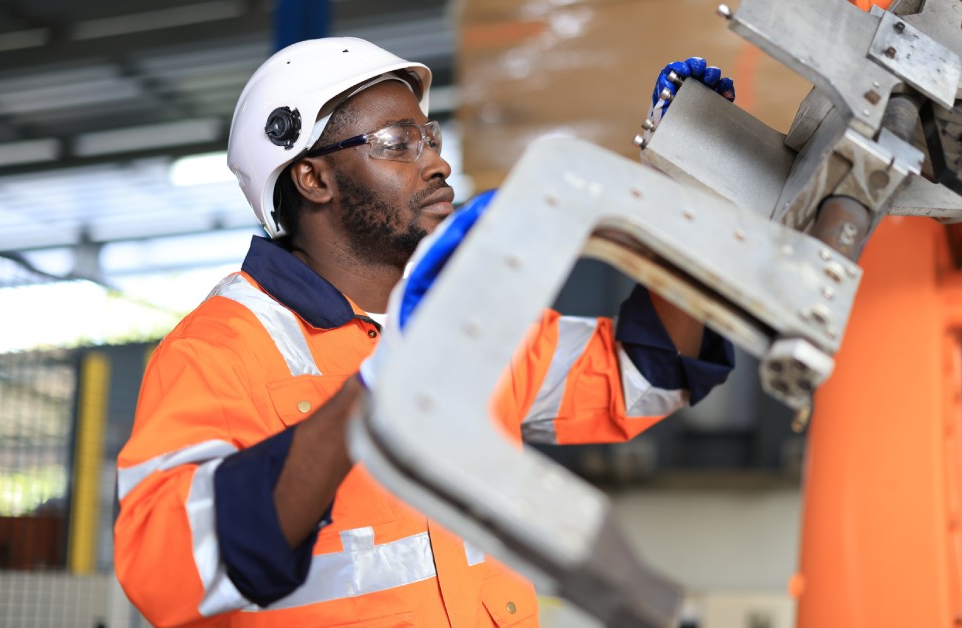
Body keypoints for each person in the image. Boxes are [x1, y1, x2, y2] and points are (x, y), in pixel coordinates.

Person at [114, 37, 735, 627]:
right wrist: (384, 382)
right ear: (314, 179)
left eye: (430, 137)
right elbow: (168, 570)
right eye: (395, 142)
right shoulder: (220, 348)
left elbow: (645, 372)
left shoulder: (465, 320)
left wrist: (683, 185)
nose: (436, 162)